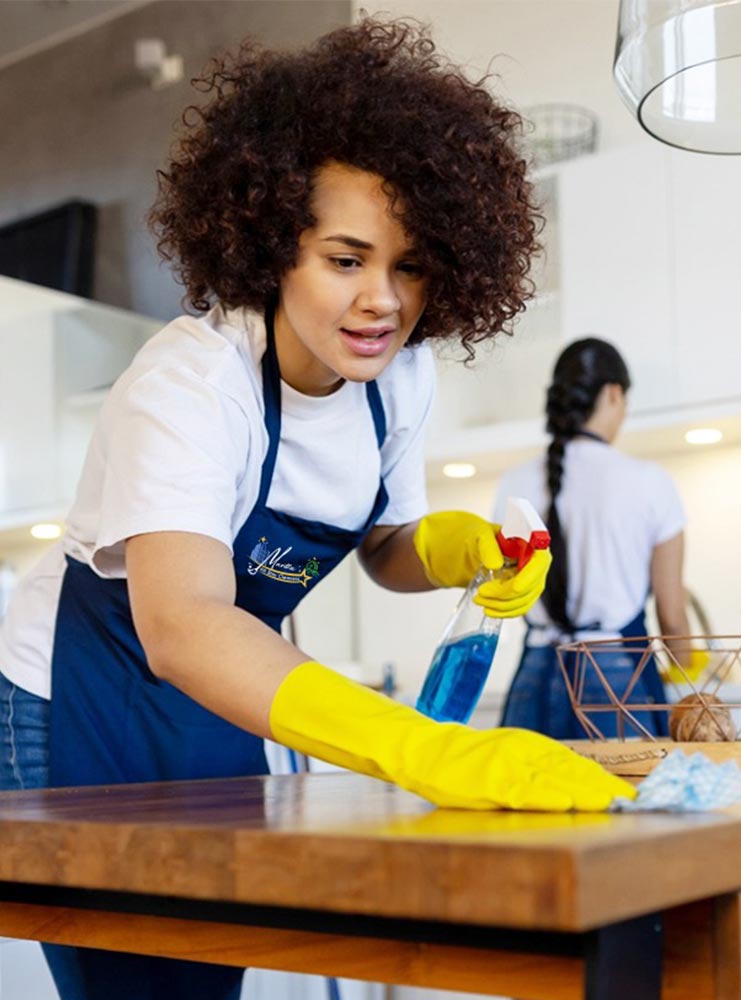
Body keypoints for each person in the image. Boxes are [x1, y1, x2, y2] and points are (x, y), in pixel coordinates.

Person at [0, 20, 633, 1000]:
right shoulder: (192, 382)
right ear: (272, 247)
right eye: (346, 259)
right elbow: (182, 624)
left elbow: (383, 544)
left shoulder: (397, 376)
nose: (382, 299)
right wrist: (422, 748)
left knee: (213, 966)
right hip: (84, 691)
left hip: (216, 688)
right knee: (131, 978)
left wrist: (462, 548)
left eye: (410, 265)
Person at [495, 337, 692, 740]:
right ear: (614, 394)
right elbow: (672, 613)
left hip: (536, 669)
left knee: (529, 797)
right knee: (628, 799)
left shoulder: (514, 482)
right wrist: (689, 676)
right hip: (618, 675)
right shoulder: (649, 482)